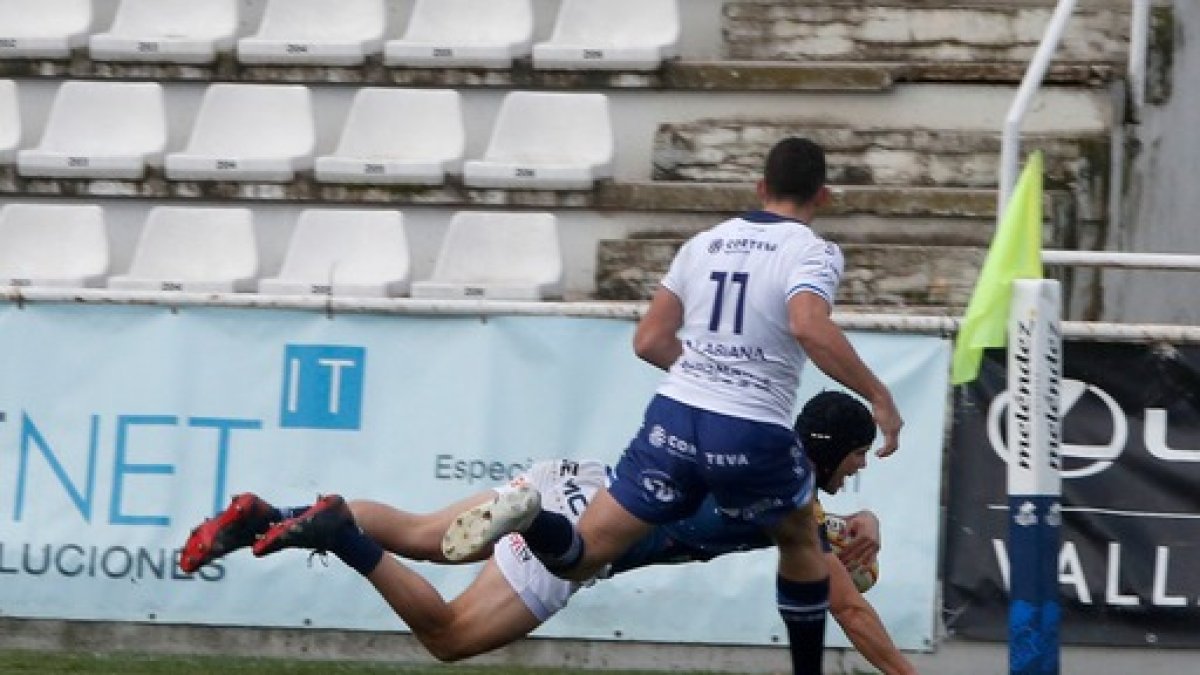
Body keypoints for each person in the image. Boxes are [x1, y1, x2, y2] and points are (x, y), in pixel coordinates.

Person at [441, 137, 904, 674]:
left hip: (676, 417)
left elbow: (648, 340)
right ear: (823, 195)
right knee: (801, 547)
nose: (859, 465)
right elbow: (808, 325)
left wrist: (706, 375)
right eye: (858, 455)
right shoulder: (812, 250)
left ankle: (530, 518)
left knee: (577, 558)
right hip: (746, 426)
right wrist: (879, 396)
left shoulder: (704, 243)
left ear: (760, 187)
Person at [180, 392, 914, 675]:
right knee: (448, 636)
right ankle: (341, 535)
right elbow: (848, 607)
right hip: (576, 542)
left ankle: (266, 516)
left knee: (419, 533)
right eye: (857, 456)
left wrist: (866, 524)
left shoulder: (764, 454)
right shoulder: (790, 504)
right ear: (831, 450)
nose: (859, 469)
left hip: (572, 481)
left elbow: (832, 538)